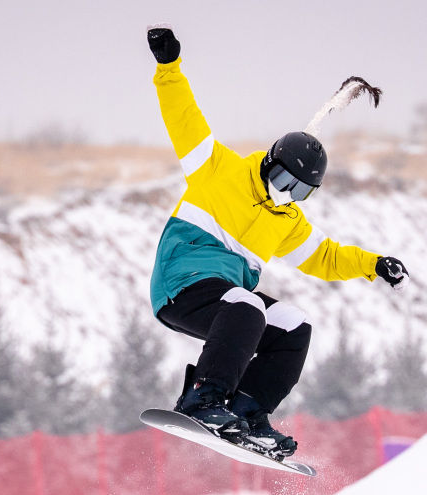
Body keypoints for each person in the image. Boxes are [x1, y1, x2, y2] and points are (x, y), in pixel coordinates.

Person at [146, 26, 410, 458]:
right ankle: (202, 399)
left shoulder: (285, 218)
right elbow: (183, 117)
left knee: (292, 324)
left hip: (226, 302)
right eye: (284, 181)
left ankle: (248, 411)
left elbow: (326, 255)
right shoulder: (217, 169)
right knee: (247, 304)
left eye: (300, 191)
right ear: (270, 162)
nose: (287, 195)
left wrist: (373, 264)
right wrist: (168, 66)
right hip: (182, 283)